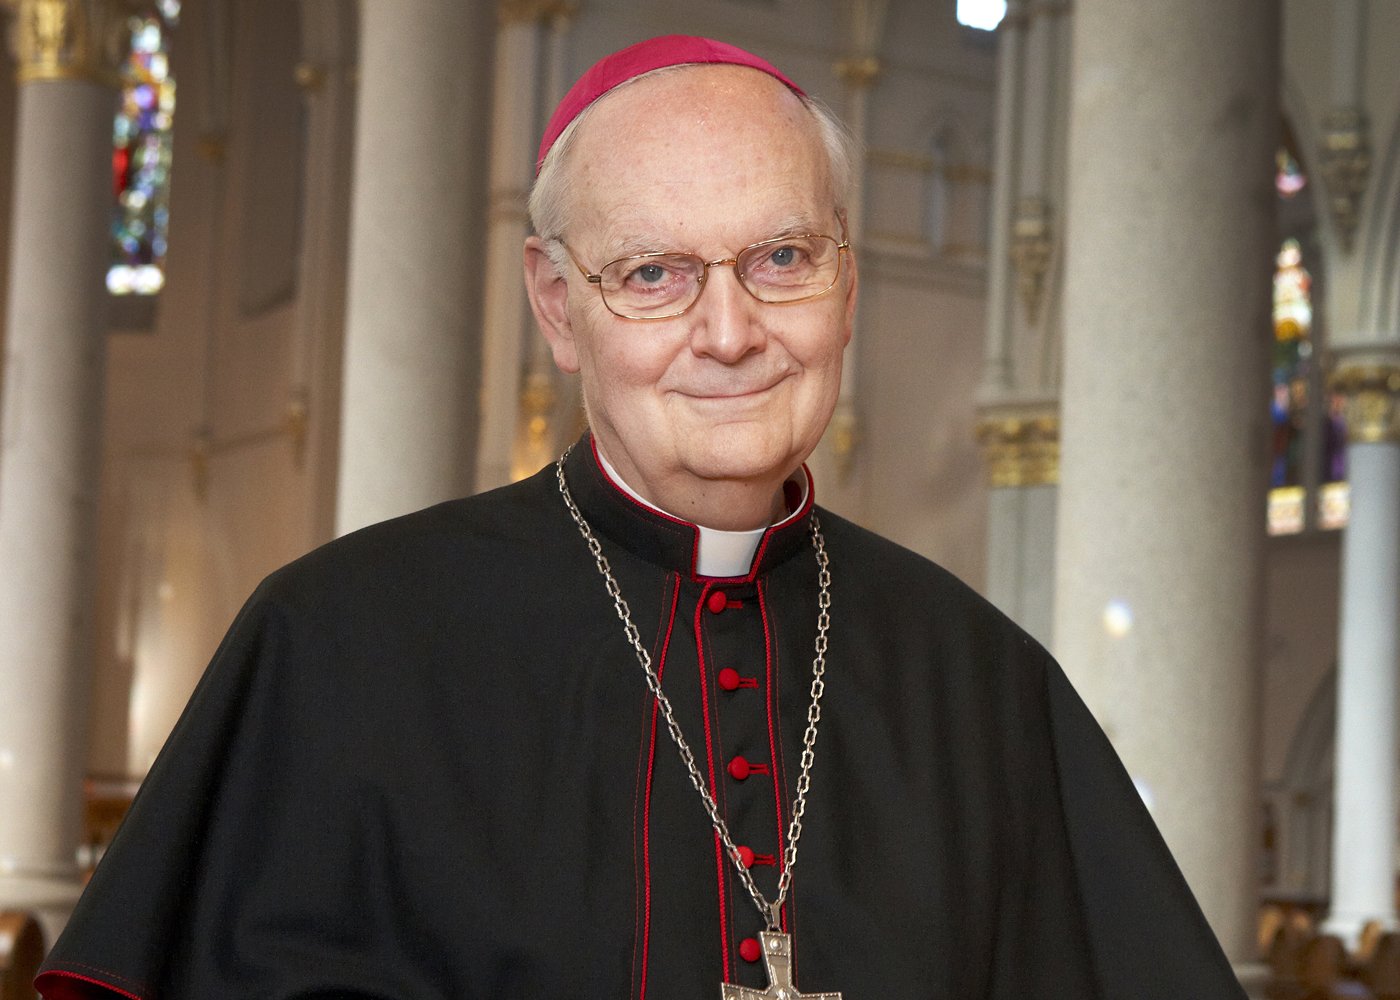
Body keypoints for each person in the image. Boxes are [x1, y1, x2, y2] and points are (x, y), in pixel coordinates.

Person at [37, 35, 1246, 1000]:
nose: (728, 333)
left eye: (781, 257)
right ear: (558, 306)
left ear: (848, 286)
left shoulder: (984, 684)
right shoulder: (338, 642)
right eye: (654, 274)